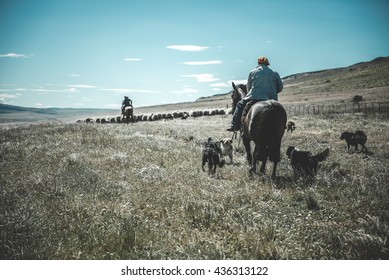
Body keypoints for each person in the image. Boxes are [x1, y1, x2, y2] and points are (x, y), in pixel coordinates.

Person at [227, 56, 283, 131]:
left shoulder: (252, 72)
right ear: (267, 64)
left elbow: (248, 88)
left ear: (258, 63)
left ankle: (234, 126)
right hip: (271, 98)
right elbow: (280, 88)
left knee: (239, 105)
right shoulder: (274, 73)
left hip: (254, 97)